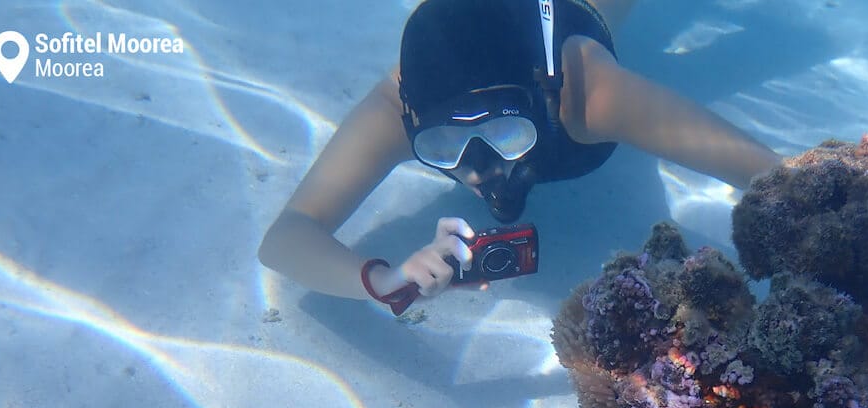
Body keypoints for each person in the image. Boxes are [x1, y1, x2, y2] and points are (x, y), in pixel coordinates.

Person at [258, 0, 784, 308]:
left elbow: (777, 182)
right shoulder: (400, 105)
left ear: (543, 98)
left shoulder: (587, 92)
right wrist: (385, 282)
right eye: (443, 144)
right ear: (414, 118)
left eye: (507, 131)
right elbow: (286, 237)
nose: (484, 170)